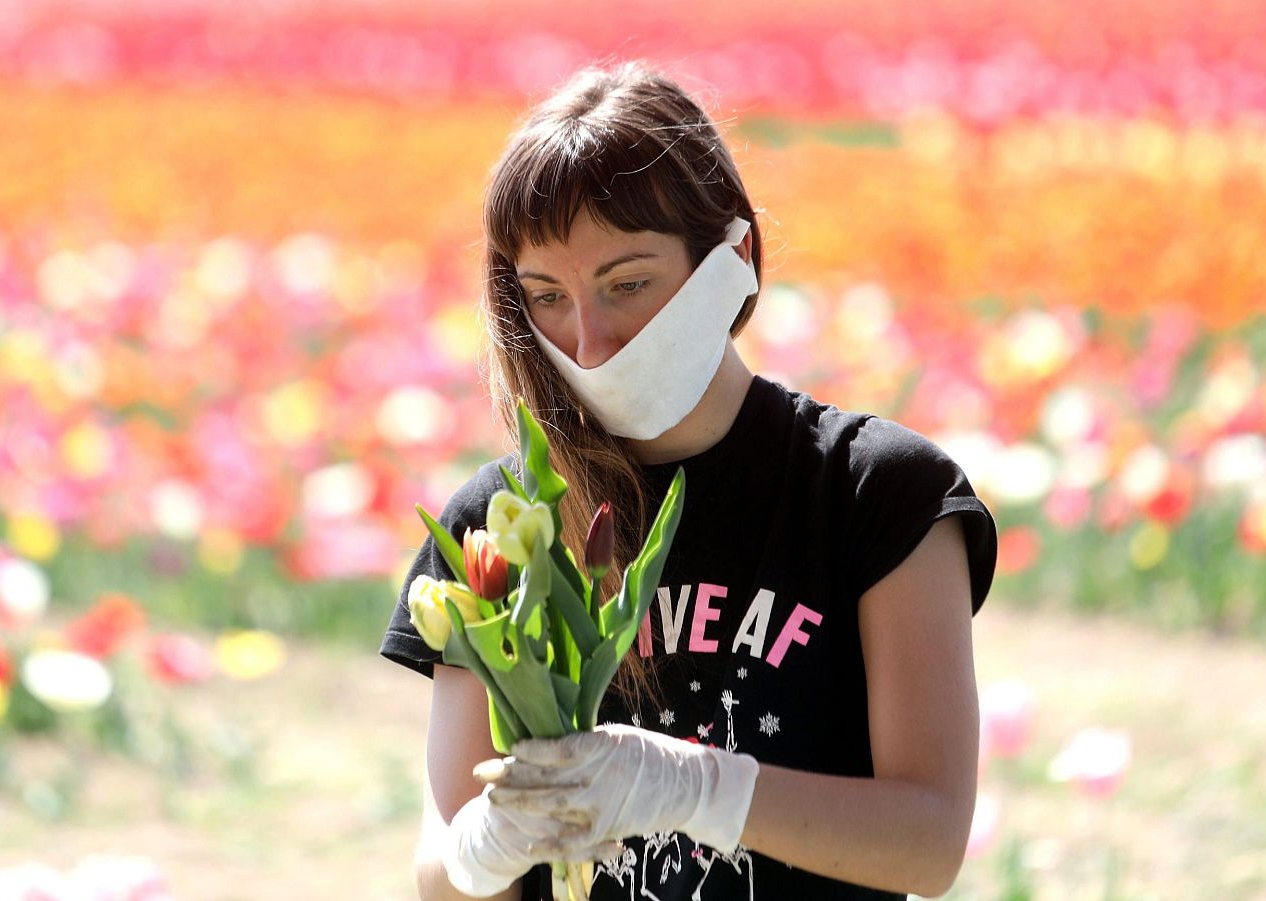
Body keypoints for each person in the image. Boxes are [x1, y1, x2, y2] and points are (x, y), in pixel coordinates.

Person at [380, 60, 998, 900]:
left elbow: (928, 843)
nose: (589, 341)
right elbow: (438, 876)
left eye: (627, 284)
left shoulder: (876, 493)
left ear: (732, 255)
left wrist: (696, 787)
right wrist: (486, 846)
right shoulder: (501, 523)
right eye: (548, 296)